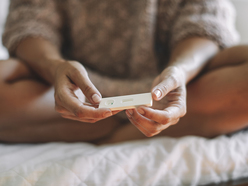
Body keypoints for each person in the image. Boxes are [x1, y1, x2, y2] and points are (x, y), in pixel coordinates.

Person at [1, 0, 248, 144]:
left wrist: (180, 71)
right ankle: (139, 125)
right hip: (74, 87)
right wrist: (55, 66)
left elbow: (206, 23)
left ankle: (95, 128)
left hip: (177, 85)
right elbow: (29, 24)